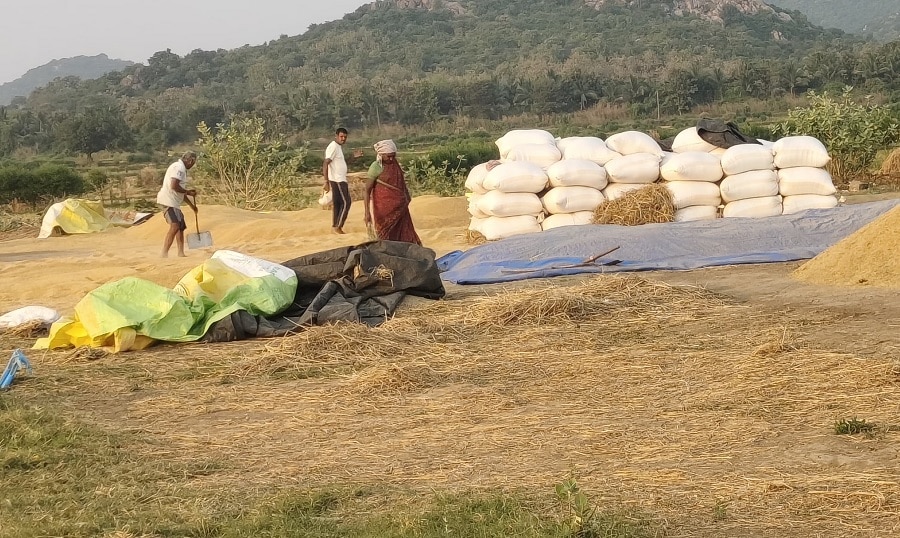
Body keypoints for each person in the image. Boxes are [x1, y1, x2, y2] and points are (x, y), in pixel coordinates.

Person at [363, 139, 421, 245]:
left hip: (401, 208)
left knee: (405, 233)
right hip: (383, 211)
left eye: (393, 156)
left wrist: (406, 197)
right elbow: (367, 191)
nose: (391, 159)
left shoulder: (395, 165)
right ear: (381, 154)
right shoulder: (375, 167)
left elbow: (401, 184)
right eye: (388, 156)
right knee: (385, 236)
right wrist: (367, 213)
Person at [157, 151, 198, 257]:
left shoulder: (180, 168)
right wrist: (188, 192)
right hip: (168, 201)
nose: (192, 165)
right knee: (175, 226)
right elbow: (174, 186)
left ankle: (180, 252)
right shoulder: (179, 167)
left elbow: (180, 191)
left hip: (174, 202)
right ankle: (164, 253)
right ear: (190, 160)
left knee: (180, 226)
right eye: (193, 162)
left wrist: (192, 206)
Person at [323, 127, 350, 234]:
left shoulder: (338, 147)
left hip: (338, 179)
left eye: (345, 137)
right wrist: (326, 181)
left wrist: (353, 157)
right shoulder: (333, 147)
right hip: (338, 180)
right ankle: (338, 226)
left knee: (338, 203)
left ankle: (335, 226)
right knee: (346, 202)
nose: (343, 139)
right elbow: (326, 163)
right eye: (341, 136)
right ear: (336, 136)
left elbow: (339, 164)